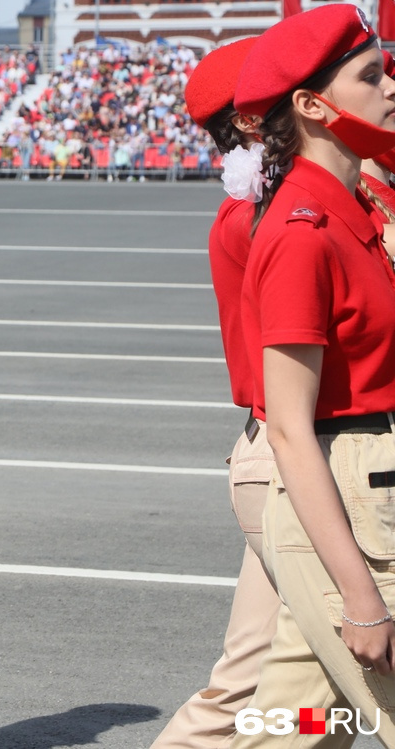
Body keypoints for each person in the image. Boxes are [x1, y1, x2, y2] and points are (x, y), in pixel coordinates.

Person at [230, 4, 395, 745]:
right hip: (349, 498)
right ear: (311, 105)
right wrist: (361, 594)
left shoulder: (355, 207)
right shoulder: (305, 231)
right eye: (372, 74)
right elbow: (290, 429)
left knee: (294, 725)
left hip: (365, 488)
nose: (391, 85)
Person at [151, 37, 285, 749]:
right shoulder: (263, 217)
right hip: (297, 460)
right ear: (254, 121)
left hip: (291, 458)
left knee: (255, 691)